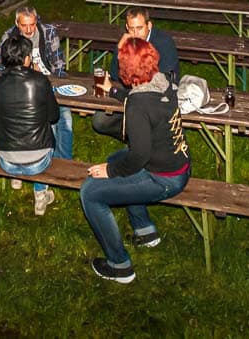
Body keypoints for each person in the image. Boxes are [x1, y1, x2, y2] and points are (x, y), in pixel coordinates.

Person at [80, 37, 190, 284]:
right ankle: (145, 231)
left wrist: (110, 171)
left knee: (90, 192)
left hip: (164, 178)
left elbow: (138, 155)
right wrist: (114, 91)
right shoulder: (164, 83)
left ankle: (120, 266)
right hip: (178, 163)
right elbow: (137, 96)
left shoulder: (138, 106)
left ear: (126, 69)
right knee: (117, 158)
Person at [0, 6, 74, 193]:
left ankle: (65, 163)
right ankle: (39, 182)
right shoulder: (10, 37)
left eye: (32, 24)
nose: (28, 30)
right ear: (16, 24)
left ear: (37, 21)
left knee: (66, 118)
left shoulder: (48, 33)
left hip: (47, 82)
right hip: (31, 84)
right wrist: (17, 74)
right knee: (47, 120)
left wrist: (54, 83)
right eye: (24, 25)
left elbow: (58, 64)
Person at [0, 34, 61, 215]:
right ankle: (40, 193)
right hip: (38, 162)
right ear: (27, 59)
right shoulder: (40, 80)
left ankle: (16, 179)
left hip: (7, 161)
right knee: (51, 127)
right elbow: (54, 116)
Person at [91, 7, 180, 140]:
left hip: (157, 101)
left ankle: (141, 137)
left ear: (149, 25)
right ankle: (135, 135)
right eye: (131, 28)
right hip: (131, 94)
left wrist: (117, 91)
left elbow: (162, 85)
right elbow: (116, 75)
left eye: (139, 28)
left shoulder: (163, 43)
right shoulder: (128, 41)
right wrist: (120, 49)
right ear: (127, 27)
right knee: (100, 121)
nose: (135, 33)